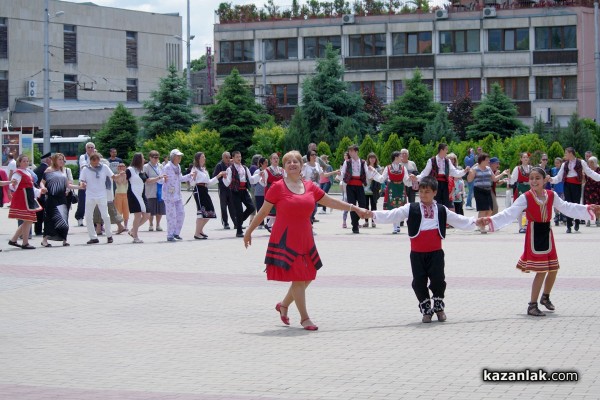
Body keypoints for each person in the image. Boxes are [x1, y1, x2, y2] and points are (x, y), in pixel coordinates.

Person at [243, 150, 369, 331]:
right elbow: (262, 211)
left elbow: (330, 202)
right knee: (299, 277)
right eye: (288, 162)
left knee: (307, 276)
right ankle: (305, 318)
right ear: (284, 167)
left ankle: (284, 305)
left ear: (301, 166)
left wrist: (354, 208)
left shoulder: (309, 186)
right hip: (286, 237)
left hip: (305, 237)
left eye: (296, 161)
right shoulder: (277, 187)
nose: (292, 164)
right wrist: (249, 231)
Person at [478, 167, 600, 317]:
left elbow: (568, 207)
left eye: (537, 178)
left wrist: (588, 209)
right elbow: (509, 213)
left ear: (544, 180)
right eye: (531, 178)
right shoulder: (526, 197)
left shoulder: (551, 195)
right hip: (534, 234)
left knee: (553, 268)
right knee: (541, 271)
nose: (534, 181)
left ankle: (545, 297)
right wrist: (490, 220)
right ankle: (532, 305)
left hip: (547, 234)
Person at [367, 176, 477, 323]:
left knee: (438, 280)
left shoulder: (441, 209)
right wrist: (372, 214)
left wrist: (476, 221)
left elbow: (459, 220)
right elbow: (393, 214)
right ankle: (426, 309)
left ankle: (439, 308)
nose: (424, 194)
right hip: (417, 254)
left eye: (427, 191)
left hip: (436, 253)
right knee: (419, 282)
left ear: (435, 193)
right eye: (422, 191)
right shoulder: (411, 208)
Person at [548, 147, 600, 233]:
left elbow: (589, 172)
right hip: (567, 185)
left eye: (566, 153)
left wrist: (599, 177)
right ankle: (569, 225)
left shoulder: (581, 162)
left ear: (571, 153)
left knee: (576, 203)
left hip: (576, 185)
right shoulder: (565, 164)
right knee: (568, 204)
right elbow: (559, 177)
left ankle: (577, 221)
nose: (565, 155)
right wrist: (552, 179)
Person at [340, 144, 382, 234]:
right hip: (350, 186)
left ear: (356, 152)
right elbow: (342, 174)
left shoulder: (362, 162)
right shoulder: (347, 162)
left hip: (359, 185)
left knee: (363, 205)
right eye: (349, 151)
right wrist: (341, 178)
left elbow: (367, 174)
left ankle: (354, 221)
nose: (350, 153)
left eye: (351, 151)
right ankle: (355, 226)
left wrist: (373, 171)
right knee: (352, 206)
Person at [7, 154, 47, 249]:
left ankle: (14, 239)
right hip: (22, 198)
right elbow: (13, 186)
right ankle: (24, 242)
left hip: (28, 197)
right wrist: (13, 185)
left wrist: (40, 191)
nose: (26, 163)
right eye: (23, 161)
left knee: (28, 220)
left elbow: (31, 187)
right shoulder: (18, 173)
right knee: (28, 219)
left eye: (27, 161)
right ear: (19, 162)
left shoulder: (27, 172)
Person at [78, 152, 118, 244]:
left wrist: (119, 176)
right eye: (93, 162)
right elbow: (81, 180)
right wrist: (82, 184)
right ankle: (93, 237)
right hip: (90, 195)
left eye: (97, 162)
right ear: (90, 161)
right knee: (88, 217)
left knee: (105, 216)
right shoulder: (85, 169)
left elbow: (113, 176)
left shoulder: (104, 167)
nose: (96, 164)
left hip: (102, 194)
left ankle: (109, 235)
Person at [40, 153, 78, 247]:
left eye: (63, 160)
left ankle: (64, 239)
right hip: (52, 198)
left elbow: (68, 185)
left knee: (64, 218)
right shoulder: (49, 170)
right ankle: (45, 240)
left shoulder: (63, 171)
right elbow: (42, 182)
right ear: (55, 160)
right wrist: (43, 189)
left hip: (62, 198)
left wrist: (80, 187)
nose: (62, 161)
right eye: (60, 159)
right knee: (49, 218)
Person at [467, 153, 509, 233]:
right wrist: (470, 172)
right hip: (479, 190)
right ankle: (482, 226)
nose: (488, 161)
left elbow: (494, 179)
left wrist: (503, 174)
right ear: (481, 160)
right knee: (482, 210)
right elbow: (469, 180)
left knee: (490, 210)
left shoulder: (488, 169)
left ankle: (481, 223)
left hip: (488, 190)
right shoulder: (475, 169)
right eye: (486, 160)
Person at [416, 143, 467, 209]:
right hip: (435, 184)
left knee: (445, 203)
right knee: (436, 202)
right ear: (441, 150)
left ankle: (443, 217)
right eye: (446, 149)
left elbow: (455, 172)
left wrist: (464, 171)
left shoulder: (447, 161)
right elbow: (425, 173)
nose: (447, 151)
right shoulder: (432, 160)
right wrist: (417, 178)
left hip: (445, 184)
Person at [223, 151, 261, 238]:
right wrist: (224, 178)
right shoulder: (230, 169)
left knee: (251, 207)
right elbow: (227, 183)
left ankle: (239, 220)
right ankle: (239, 231)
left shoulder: (245, 168)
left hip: (244, 190)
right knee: (239, 211)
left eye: (240, 156)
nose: (239, 158)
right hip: (235, 191)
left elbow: (251, 180)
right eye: (237, 157)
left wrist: (259, 175)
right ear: (233, 158)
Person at [191, 151, 227, 239]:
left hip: (205, 190)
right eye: (203, 157)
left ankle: (200, 230)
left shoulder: (204, 169)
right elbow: (192, 183)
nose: (204, 158)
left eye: (204, 157)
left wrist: (219, 176)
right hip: (199, 190)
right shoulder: (194, 169)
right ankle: (197, 233)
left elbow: (209, 182)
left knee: (209, 212)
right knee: (201, 212)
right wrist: (194, 178)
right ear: (198, 159)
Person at [376, 151, 413, 234]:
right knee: (392, 207)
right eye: (400, 156)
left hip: (400, 188)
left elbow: (406, 180)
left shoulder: (403, 168)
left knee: (400, 206)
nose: (402, 158)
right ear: (396, 157)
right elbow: (382, 178)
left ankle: (398, 225)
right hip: (391, 188)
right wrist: (374, 173)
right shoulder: (388, 167)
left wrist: (411, 179)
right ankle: (395, 226)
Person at [162, 149, 194, 242]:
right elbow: (160, 179)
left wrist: (190, 175)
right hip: (169, 196)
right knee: (171, 216)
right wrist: (163, 179)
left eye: (180, 156)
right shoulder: (167, 167)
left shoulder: (178, 166)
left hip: (177, 195)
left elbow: (180, 178)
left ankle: (176, 233)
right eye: (178, 156)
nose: (180, 158)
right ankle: (170, 235)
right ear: (173, 157)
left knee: (181, 214)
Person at [143, 150, 166, 232]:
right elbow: (146, 180)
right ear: (150, 157)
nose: (156, 159)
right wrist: (158, 178)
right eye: (154, 157)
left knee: (160, 208)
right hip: (150, 190)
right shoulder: (146, 167)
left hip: (160, 190)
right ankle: (151, 224)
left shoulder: (161, 166)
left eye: (157, 157)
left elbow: (164, 176)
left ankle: (158, 224)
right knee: (151, 209)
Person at [75, 142, 96, 226]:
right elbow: (84, 166)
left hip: (94, 182)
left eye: (92, 147)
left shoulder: (97, 156)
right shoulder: (83, 157)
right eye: (88, 147)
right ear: (86, 149)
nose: (90, 149)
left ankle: (94, 219)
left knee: (94, 201)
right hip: (84, 182)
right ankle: (79, 217)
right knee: (82, 201)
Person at [510, 152, 532, 233]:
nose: (526, 159)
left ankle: (526, 225)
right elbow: (513, 180)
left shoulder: (531, 168)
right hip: (520, 188)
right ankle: (520, 226)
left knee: (529, 207)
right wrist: (509, 176)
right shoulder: (517, 168)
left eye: (527, 157)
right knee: (520, 208)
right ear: (521, 159)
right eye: (524, 157)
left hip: (529, 188)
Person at [213, 151, 235, 229]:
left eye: (229, 157)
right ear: (222, 158)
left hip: (230, 189)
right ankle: (225, 223)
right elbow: (215, 176)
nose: (228, 159)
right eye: (226, 157)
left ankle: (235, 223)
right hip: (222, 189)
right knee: (223, 206)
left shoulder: (231, 165)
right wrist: (222, 179)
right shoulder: (219, 165)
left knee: (232, 206)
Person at [301, 150, 323, 224]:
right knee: (310, 208)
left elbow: (322, 175)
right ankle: (309, 225)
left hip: (316, 189)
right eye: (312, 155)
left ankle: (309, 223)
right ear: (308, 156)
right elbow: (302, 177)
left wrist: (335, 172)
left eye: (315, 155)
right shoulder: (305, 165)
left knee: (315, 208)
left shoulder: (317, 165)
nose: (314, 156)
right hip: (308, 189)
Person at [264, 153, 284, 231]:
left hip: (280, 192)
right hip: (271, 191)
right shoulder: (267, 170)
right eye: (274, 158)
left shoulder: (281, 170)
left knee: (279, 210)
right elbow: (264, 183)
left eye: (277, 158)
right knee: (273, 210)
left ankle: (270, 225)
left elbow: (285, 180)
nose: (276, 160)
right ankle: (273, 227)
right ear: (271, 160)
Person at [363, 152, 382, 228]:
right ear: (368, 159)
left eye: (373, 158)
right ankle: (366, 221)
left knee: (374, 206)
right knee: (366, 206)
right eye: (370, 158)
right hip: (366, 189)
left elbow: (380, 177)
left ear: (375, 159)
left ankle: (374, 221)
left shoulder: (378, 167)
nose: (372, 159)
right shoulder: (365, 167)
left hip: (374, 189)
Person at [583, 156, 600, 227]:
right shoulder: (587, 171)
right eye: (589, 162)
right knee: (588, 205)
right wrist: (583, 176)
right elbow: (583, 181)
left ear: (595, 162)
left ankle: (598, 220)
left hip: (597, 189)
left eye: (592, 162)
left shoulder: (599, 169)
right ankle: (588, 220)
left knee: (597, 205)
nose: (590, 164)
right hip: (588, 190)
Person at [113, 163, 130, 232]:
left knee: (126, 210)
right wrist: (121, 175)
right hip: (118, 194)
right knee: (118, 210)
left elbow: (125, 182)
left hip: (126, 194)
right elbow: (119, 182)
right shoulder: (116, 176)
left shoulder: (128, 175)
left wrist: (124, 175)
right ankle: (120, 226)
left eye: (122, 166)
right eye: (119, 166)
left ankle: (126, 225)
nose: (121, 168)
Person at [551, 157, 565, 226]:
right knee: (556, 204)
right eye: (555, 163)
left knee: (562, 202)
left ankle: (563, 216)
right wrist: (552, 187)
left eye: (558, 163)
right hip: (556, 189)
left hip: (562, 189)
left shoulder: (563, 170)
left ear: (561, 163)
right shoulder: (553, 170)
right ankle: (556, 216)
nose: (556, 164)